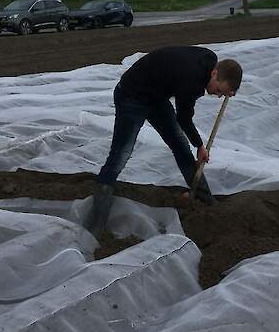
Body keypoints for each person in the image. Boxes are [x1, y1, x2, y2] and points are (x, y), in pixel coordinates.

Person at [85, 46, 242, 235]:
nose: (217, 95)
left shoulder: (208, 60)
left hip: (156, 97)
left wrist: (197, 145)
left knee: (180, 144)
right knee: (121, 154)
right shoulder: (191, 80)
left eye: (222, 94)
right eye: (218, 90)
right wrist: (200, 145)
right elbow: (183, 118)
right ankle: (97, 221)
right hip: (131, 95)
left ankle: (204, 199)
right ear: (215, 73)